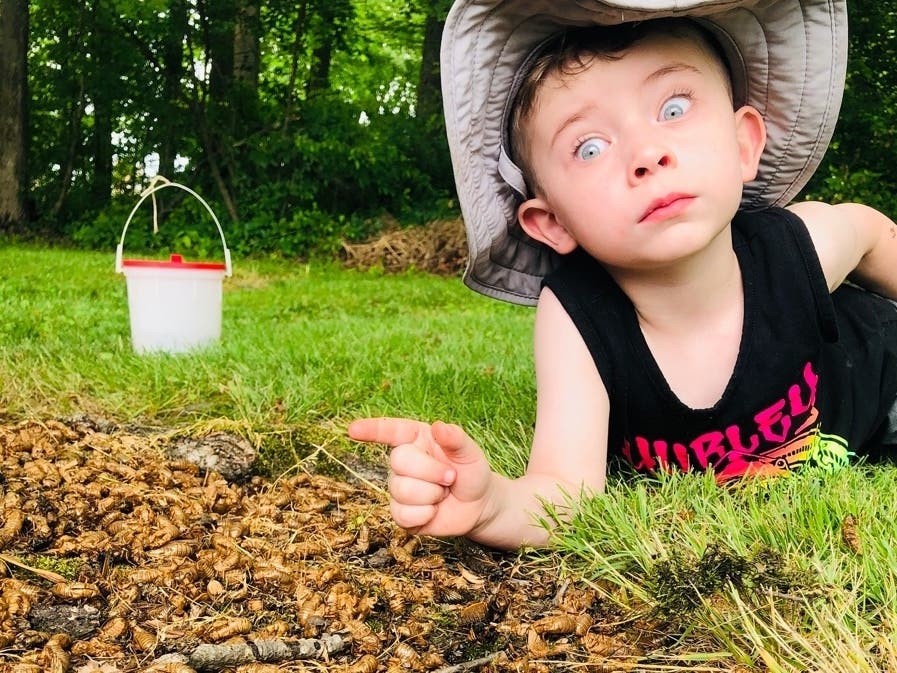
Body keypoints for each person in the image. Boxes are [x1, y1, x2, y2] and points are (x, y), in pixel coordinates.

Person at [349, 1, 897, 550]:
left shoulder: (795, 249)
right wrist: (491, 505)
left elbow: (871, 232)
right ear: (552, 222)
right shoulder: (580, 319)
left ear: (742, 145)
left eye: (675, 109)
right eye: (590, 147)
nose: (646, 153)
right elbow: (565, 494)